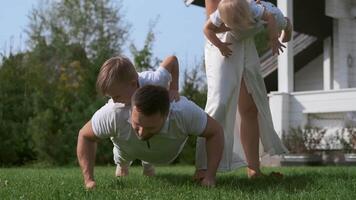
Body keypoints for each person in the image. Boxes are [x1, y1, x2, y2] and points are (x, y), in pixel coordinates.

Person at [187, 0, 288, 181]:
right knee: (219, 104)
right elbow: (211, 26)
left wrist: (263, 28)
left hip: (245, 41)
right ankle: (203, 168)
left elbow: (266, 16)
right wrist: (247, 26)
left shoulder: (252, 8)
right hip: (222, 44)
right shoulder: (222, 13)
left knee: (250, 106)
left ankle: (254, 169)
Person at [77, 85, 224, 189]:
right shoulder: (114, 113)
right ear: (131, 109)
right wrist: (88, 180)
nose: (141, 132)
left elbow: (215, 131)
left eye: (150, 128)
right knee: (122, 156)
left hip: (167, 154)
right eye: (137, 124)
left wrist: (209, 176)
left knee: (147, 150)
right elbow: (85, 135)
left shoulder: (183, 112)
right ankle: (122, 166)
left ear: (166, 115)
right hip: (127, 148)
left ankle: (147, 165)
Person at [204, 0, 292, 57]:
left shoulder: (253, 9)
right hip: (244, 23)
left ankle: (287, 25)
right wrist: (220, 45)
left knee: (278, 20)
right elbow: (207, 29)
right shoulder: (220, 12)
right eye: (235, 22)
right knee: (215, 30)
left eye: (239, 21)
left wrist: (274, 39)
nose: (238, 23)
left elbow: (270, 17)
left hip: (262, 14)